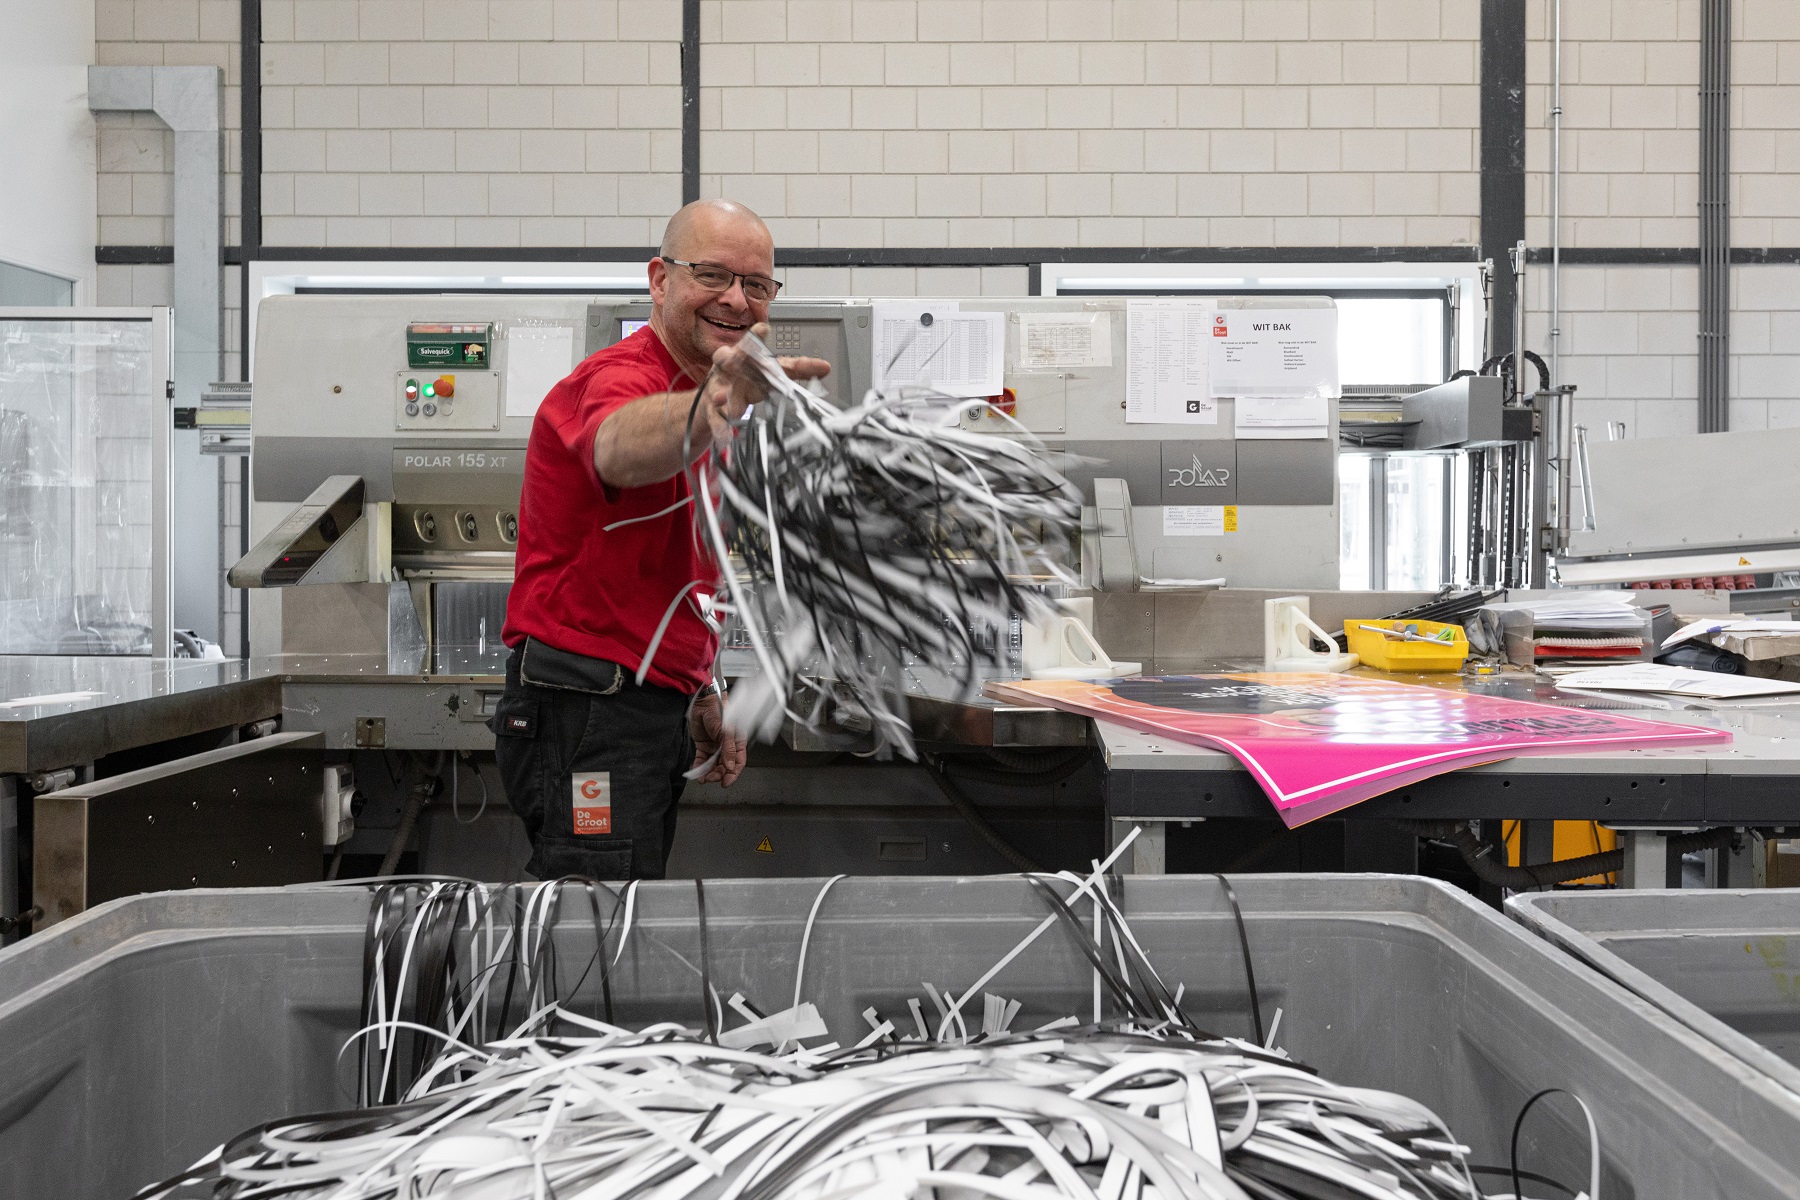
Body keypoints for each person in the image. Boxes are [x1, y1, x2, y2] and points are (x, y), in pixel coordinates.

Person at [492, 199, 829, 880]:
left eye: (757, 285)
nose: (737, 300)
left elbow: (676, 570)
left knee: (619, 912)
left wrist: (699, 688)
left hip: (643, 704)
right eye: (713, 275)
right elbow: (618, 446)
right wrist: (715, 403)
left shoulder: (701, 398)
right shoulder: (620, 380)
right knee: (591, 927)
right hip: (590, 713)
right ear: (659, 279)